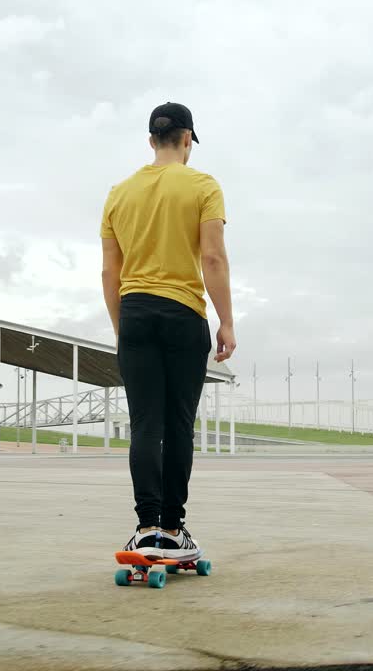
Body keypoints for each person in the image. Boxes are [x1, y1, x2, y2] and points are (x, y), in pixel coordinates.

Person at [101, 102, 236, 560]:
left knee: (145, 424)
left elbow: (109, 273)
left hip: (135, 312)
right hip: (183, 315)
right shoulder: (202, 186)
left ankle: (146, 527)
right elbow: (213, 258)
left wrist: (124, 328)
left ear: (151, 141)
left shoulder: (119, 193)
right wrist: (227, 321)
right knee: (178, 426)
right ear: (186, 140)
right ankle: (174, 529)